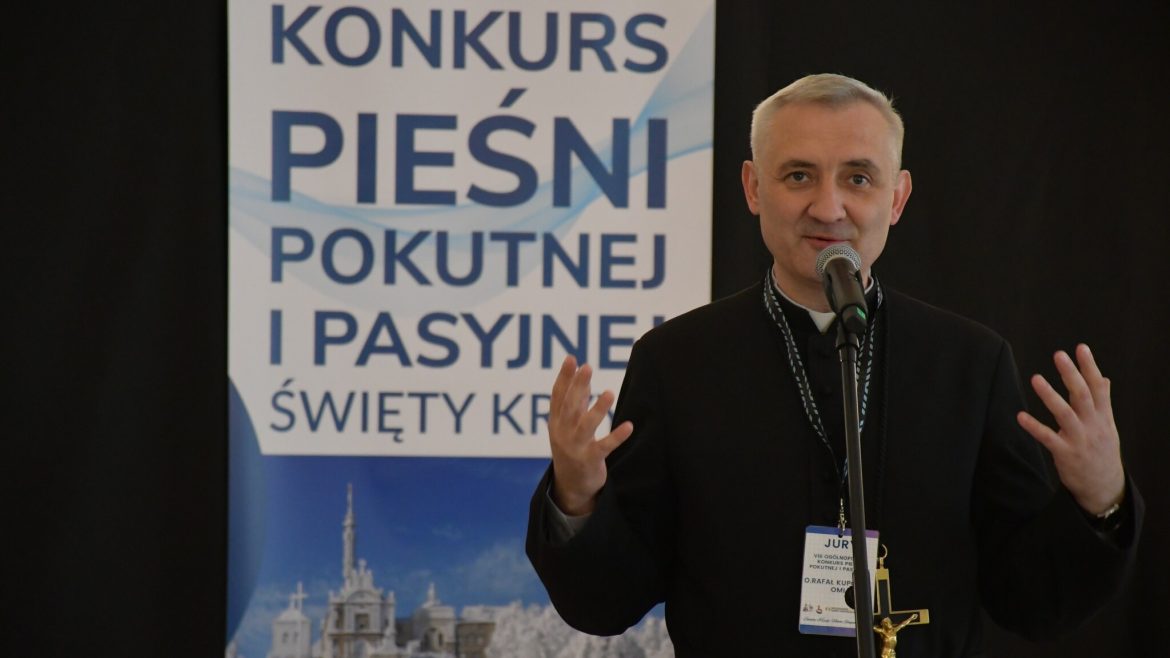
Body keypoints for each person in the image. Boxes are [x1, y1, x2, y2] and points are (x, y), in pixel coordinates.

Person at [526, 73, 1142, 657]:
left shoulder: (969, 364)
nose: (828, 208)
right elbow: (609, 601)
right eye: (798, 175)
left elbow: (1031, 601)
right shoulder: (676, 363)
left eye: (858, 178)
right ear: (753, 188)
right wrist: (576, 498)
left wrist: (1100, 502)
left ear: (897, 198)